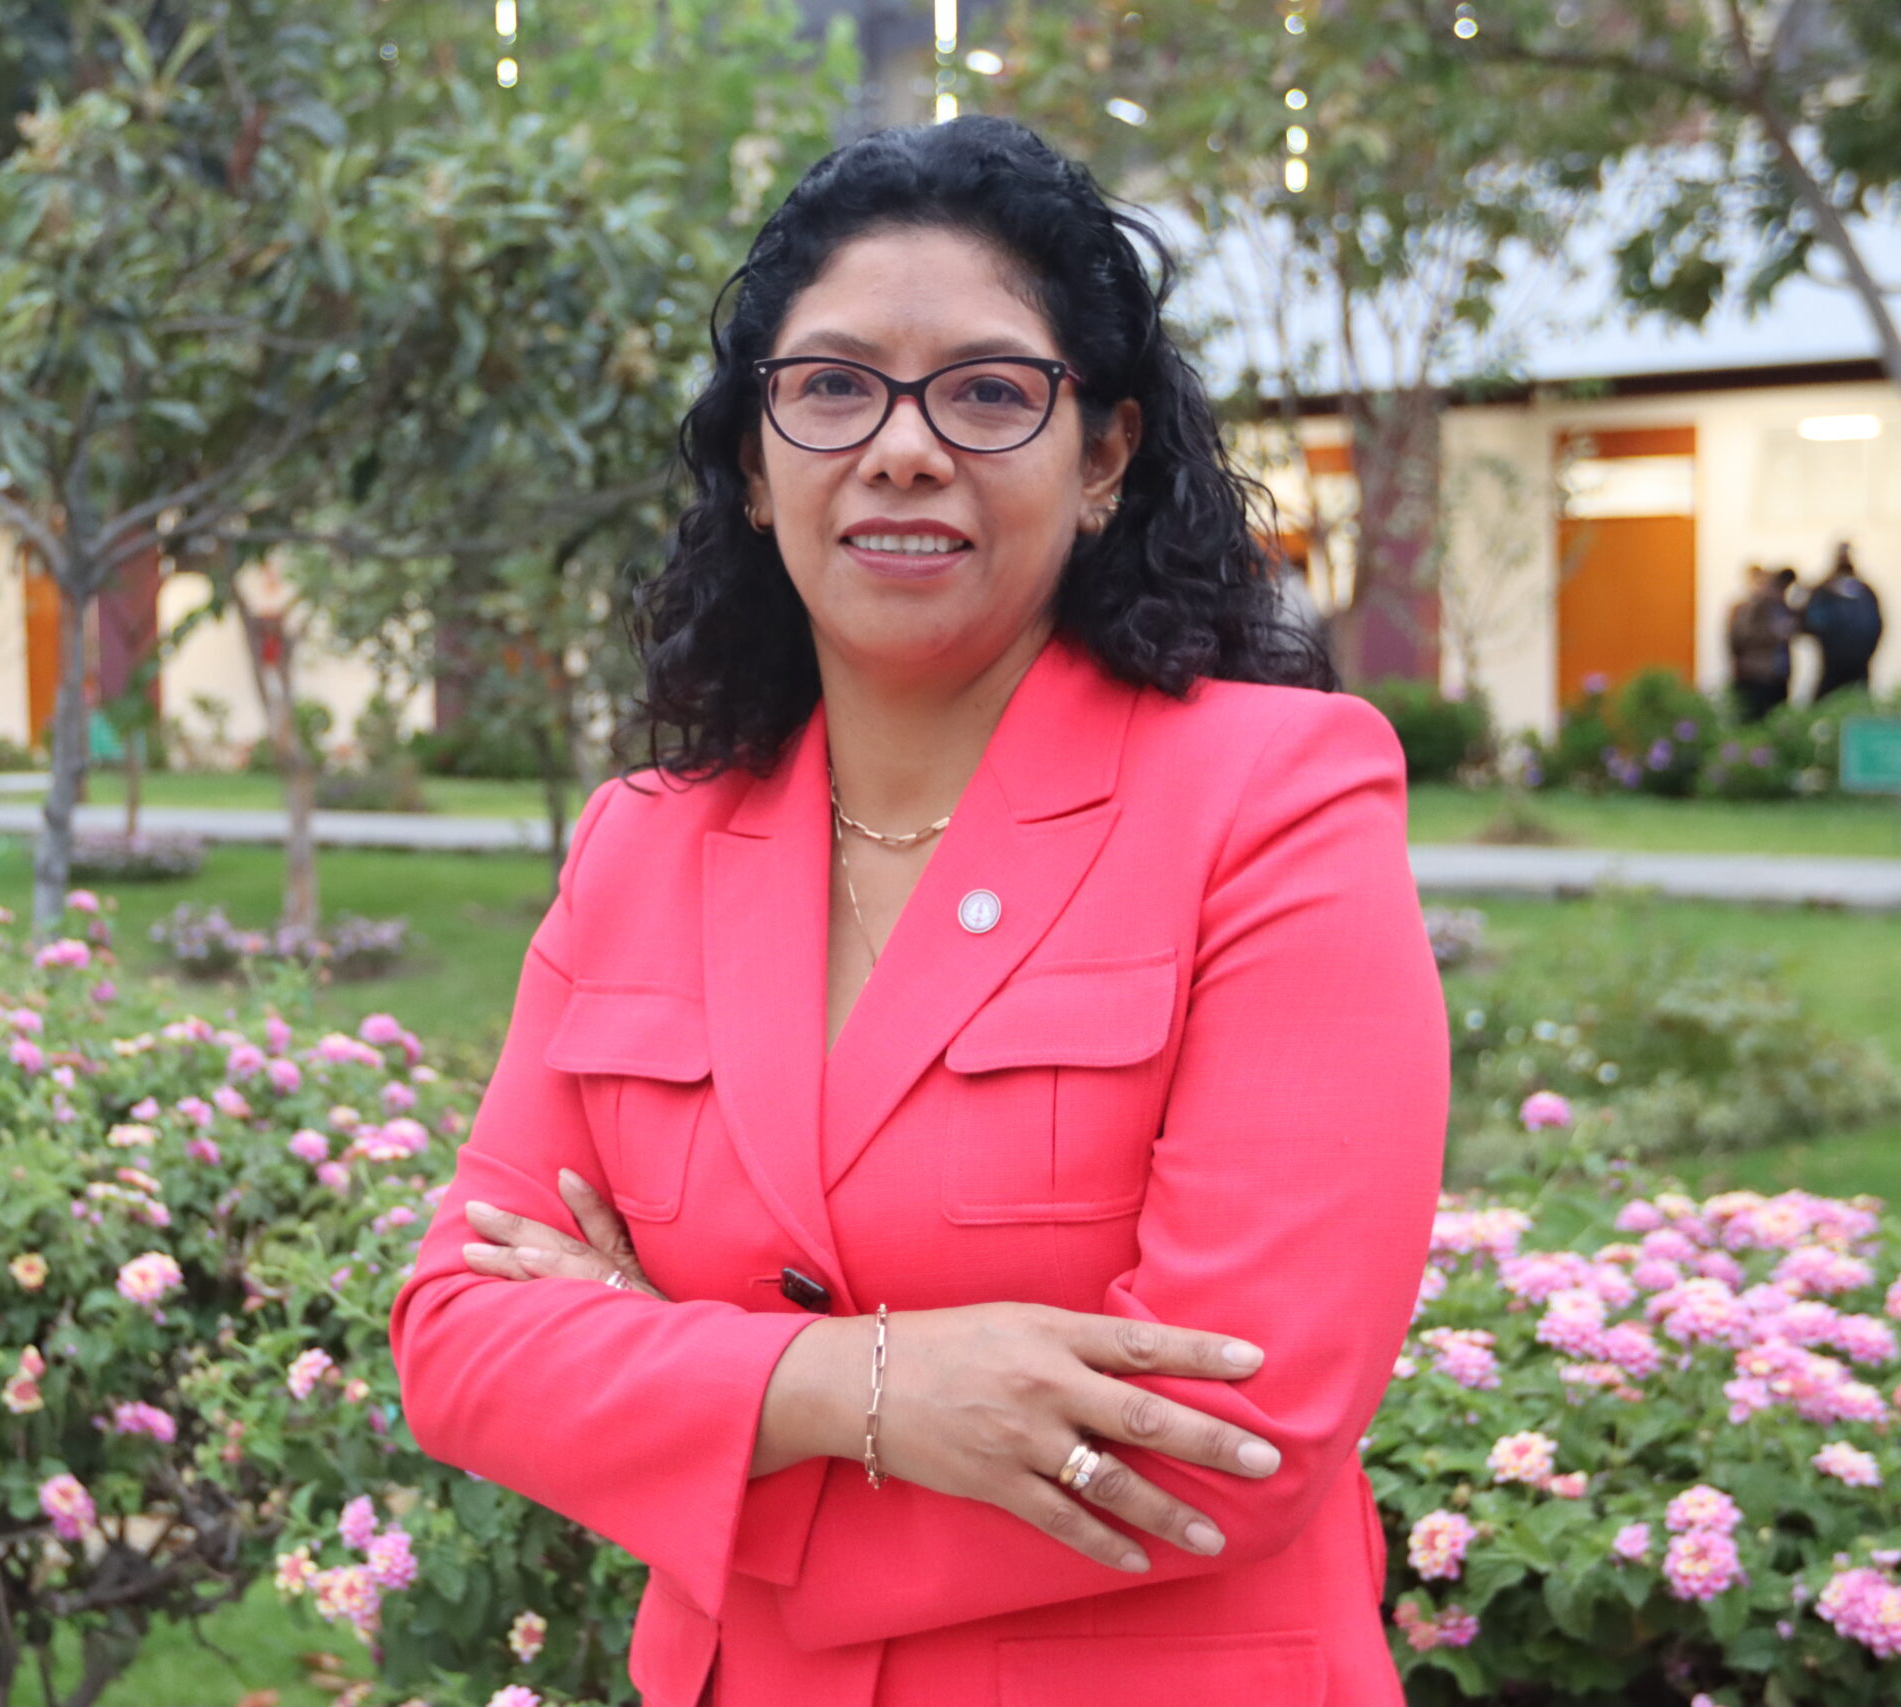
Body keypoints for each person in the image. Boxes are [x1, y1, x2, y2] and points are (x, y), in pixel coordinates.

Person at [391, 118, 1448, 1707]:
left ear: (1103, 458)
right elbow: (462, 1335)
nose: (901, 447)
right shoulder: (641, 845)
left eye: (987, 391)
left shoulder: (1274, 798)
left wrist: (673, 1417)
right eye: (831, 387)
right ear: (756, 467)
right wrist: (859, 1386)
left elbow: (1233, 1435)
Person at [1804, 542, 1884, 703]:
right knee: (1826, 700)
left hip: (1859, 659)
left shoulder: (1864, 591)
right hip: (1833, 660)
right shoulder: (1824, 590)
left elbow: (1876, 623)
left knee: (1859, 702)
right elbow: (1813, 621)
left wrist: (1867, 650)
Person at [1725, 564, 1799, 722]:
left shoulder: (1781, 608)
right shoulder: (1749, 608)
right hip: (1755, 677)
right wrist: (1774, 635)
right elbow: (1740, 638)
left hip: (1778, 677)